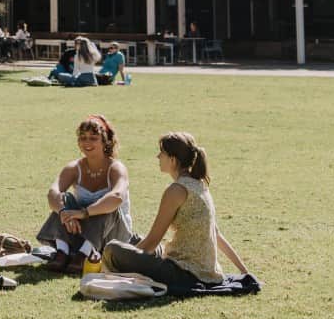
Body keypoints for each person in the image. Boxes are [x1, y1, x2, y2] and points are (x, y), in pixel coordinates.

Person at [104, 131, 251, 293]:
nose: (157, 157)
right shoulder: (199, 184)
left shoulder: (176, 190)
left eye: (162, 153)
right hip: (205, 272)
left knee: (112, 249)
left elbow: (153, 241)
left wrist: (129, 257)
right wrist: (244, 271)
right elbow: (216, 234)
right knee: (135, 240)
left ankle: (112, 271)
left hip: (182, 273)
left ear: (173, 160)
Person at [35, 114, 134, 273]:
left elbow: (117, 197)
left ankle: (83, 255)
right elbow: (53, 192)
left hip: (113, 235)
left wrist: (84, 213)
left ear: (105, 141)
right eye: (83, 137)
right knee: (63, 199)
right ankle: (63, 252)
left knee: (107, 205)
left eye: (93, 138)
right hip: (83, 231)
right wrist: (63, 212)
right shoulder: (74, 167)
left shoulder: (116, 168)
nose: (87, 142)